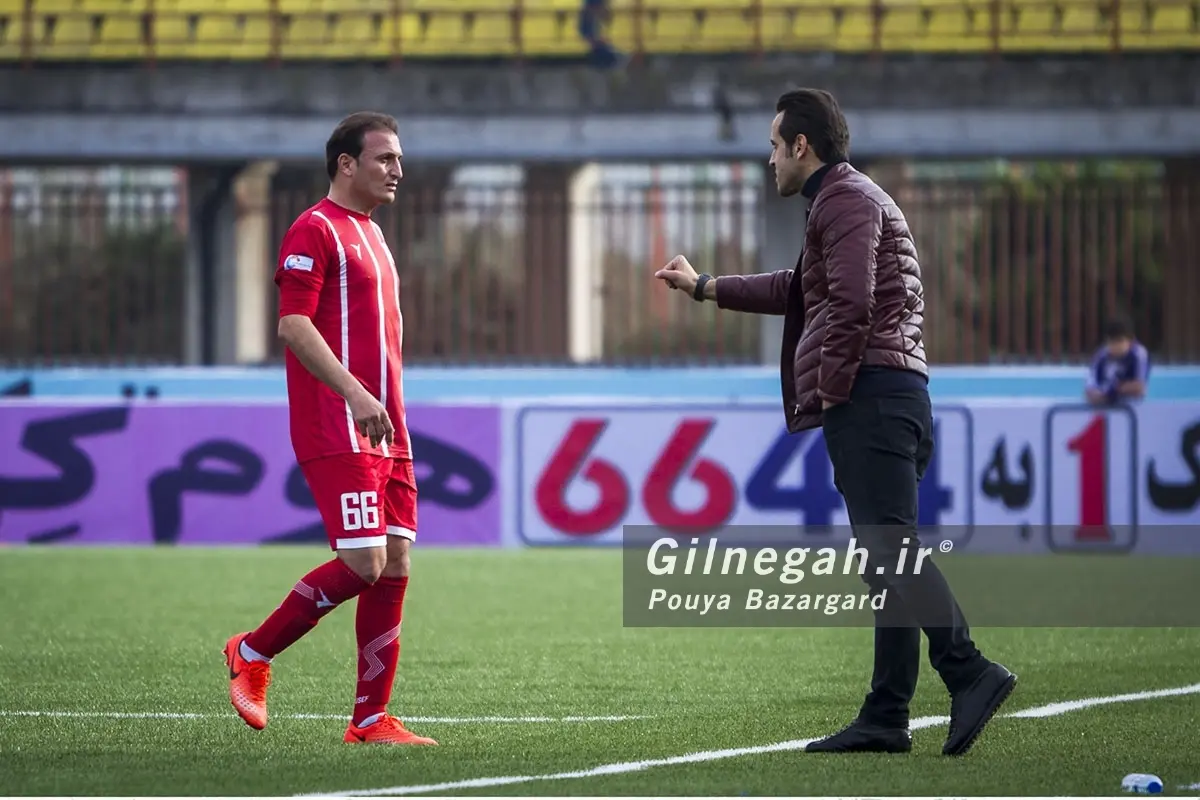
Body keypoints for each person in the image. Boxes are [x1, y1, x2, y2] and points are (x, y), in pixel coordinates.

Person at [654, 88, 1016, 757]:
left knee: (891, 550)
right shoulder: (845, 200)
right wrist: (705, 286)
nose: (769, 159)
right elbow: (799, 291)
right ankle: (886, 714)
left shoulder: (844, 201)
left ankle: (969, 671)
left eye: (774, 145)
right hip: (891, 392)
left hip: (873, 397)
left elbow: (850, 304)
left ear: (802, 145)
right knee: (887, 560)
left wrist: (834, 389)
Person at [223, 111, 436, 747]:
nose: (397, 170)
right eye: (385, 159)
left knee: (395, 562)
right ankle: (252, 651)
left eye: (399, 160)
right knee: (364, 562)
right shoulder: (313, 229)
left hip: (386, 427)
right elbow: (293, 325)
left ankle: (370, 719)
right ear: (347, 164)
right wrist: (355, 392)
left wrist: (386, 402)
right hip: (338, 422)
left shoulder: (372, 233)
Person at [1086, 316, 1150, 406]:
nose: (1115, 346)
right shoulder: (1100, 355)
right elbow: (1090, 387)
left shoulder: (1139, 354)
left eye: (1119, 341)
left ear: (1130, 341)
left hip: (1131, 405)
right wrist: (1095, 394)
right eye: (1111, 342)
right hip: (1103, 405)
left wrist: (1114, 389)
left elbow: (1139, 388)